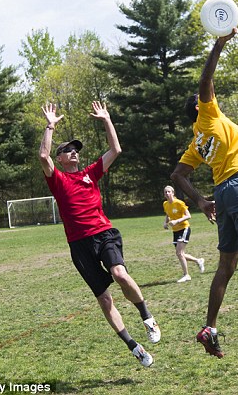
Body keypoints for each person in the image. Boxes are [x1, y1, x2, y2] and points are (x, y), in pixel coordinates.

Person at [171, 28, 238, 360]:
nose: (211, 97)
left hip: (223, 193)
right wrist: (218, 44)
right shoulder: (210, 115)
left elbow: (177, 175)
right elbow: (205, 83)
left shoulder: (198, 140)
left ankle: (210, 328)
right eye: (206, 98)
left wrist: (201, 200)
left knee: (226, 266)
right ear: (201, 106)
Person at [39, 101, 160, 367]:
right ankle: (133, 346)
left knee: (120, 273)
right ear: (60, 159)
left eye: (75, 150)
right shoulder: (58, 180)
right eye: (66, 150)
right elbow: (42, 157)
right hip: (80, 246)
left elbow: (115, 149)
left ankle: (147, 316)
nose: (72, 152)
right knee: (105, 298)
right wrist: (49, 126)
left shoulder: (90, 174)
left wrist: (106, 119)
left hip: (104, 233)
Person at [162, 185, 205, 282]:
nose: (167, 193)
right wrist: (165, 223)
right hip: (175, 231)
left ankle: (186, 275)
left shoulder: (179, 203)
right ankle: (198, 260)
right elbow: (168, 214)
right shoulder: (165, 204)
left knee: (179, 253)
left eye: (169, 191)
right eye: (165, 192)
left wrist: (177, 221)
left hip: (184, 228)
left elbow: (188, 216)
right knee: (181, 254)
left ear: (173, 193)